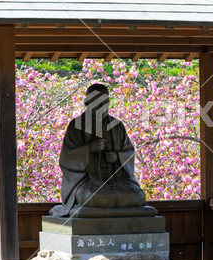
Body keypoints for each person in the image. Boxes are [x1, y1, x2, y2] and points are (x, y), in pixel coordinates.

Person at [51, 83, 147, 217]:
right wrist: (88, 149)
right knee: (92, 197)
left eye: (105, 100)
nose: (102, 105)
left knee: (137, 196)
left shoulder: (117, 126)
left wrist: (117, 157)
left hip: (115, 179)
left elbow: (129, 152)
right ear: (88, 102)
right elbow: (67, 157)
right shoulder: (76, 125)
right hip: (87, 180)